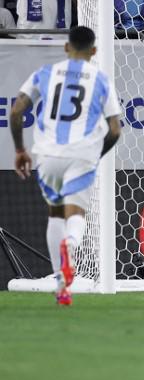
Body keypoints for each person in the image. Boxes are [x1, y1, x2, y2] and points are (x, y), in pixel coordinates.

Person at [8, 25, 121, 306]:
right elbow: (115, 129)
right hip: (82, 152)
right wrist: (95, 154)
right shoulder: (101, 79)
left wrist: (20, 149)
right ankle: (70, 245)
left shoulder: (45, 73)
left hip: (48, 154)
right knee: (76, 213)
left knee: (55, 213)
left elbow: (16, 111)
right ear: (94, 51)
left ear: (66, 47)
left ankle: (61, 283)